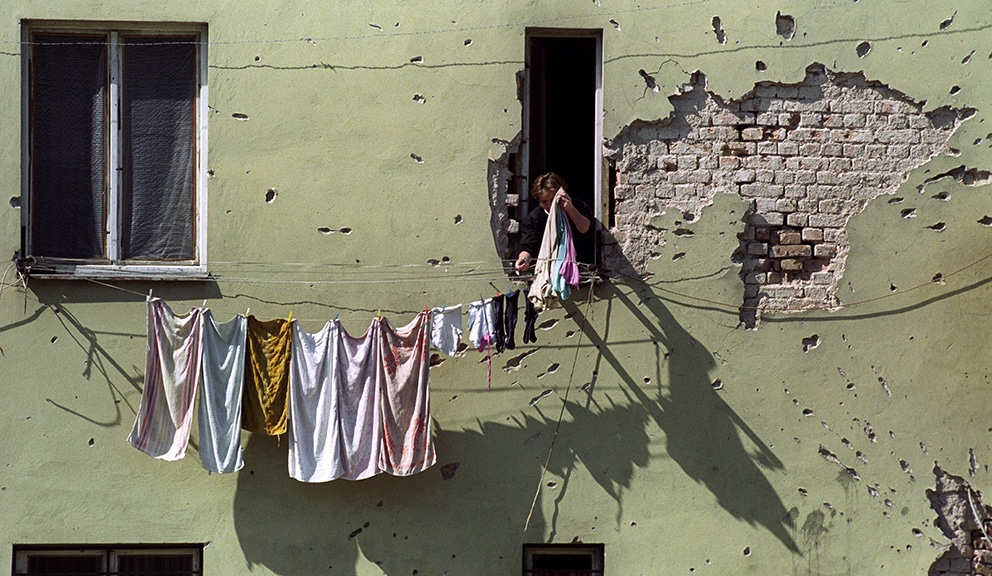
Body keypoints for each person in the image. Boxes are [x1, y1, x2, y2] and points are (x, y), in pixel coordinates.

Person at [514, 172, 593, 272]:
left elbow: (586, 230)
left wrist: (570, 209)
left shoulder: (578, 206)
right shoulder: (533, 219)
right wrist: (523, 260)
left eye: (553, 200)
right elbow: (528, 245)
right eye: (544, 201)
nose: (550, 205)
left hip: (579, 269)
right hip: (547, 271)